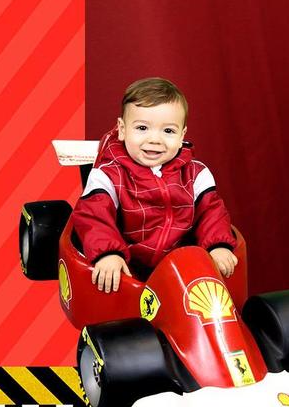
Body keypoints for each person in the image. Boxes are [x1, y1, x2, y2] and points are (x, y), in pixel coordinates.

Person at [73, 77, 239, 293]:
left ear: (182, 135)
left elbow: (212, 213)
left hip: (182, 268)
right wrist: (108, 253)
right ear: (122, 129)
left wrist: (218, 245)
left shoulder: (195, 174)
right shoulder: (109, 175)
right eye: (142, 128)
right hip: (128, 267)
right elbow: (93, 216)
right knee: (113, 272)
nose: (155, 139)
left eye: (168, 131)